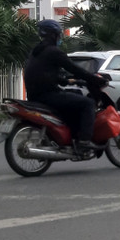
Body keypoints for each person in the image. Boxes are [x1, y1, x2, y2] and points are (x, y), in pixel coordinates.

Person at [23, 19, 104, 157]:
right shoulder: (54, 52)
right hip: (48, 95)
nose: (60, 38)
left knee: (76, 93)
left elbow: (43, 74)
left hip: (35, 95)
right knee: (88, 104)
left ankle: (71, 135)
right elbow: (74, 68)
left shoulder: (37, 51)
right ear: (54, 35)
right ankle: (84, 141)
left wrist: (65, 81)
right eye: (59, 34)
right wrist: (95, 79)